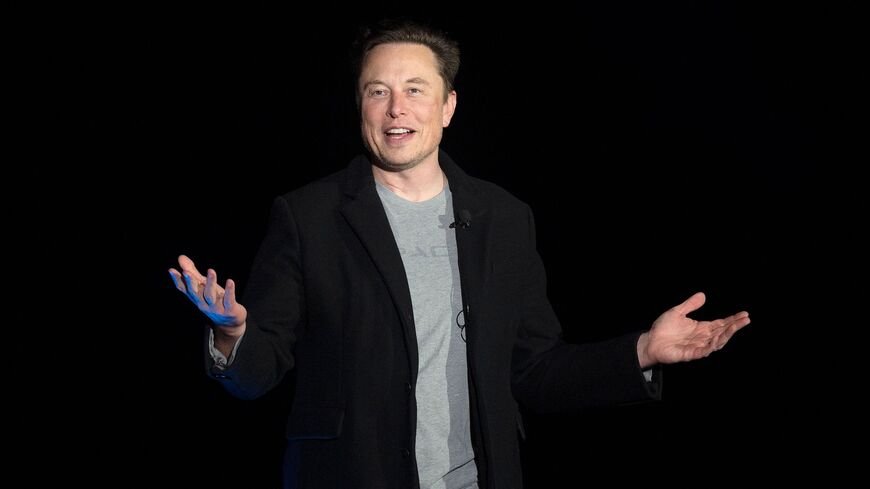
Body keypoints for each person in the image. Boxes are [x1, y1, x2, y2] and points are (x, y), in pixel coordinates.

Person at [168, 19, 750, 489]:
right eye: (378, 92)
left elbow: (534, 369)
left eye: (415, 90)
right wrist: (231, 336)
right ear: (361, 107)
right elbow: (256, 372)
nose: (397, 108)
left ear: (447, 107)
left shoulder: (503, 217)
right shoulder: (307, 217)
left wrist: (641, 351)